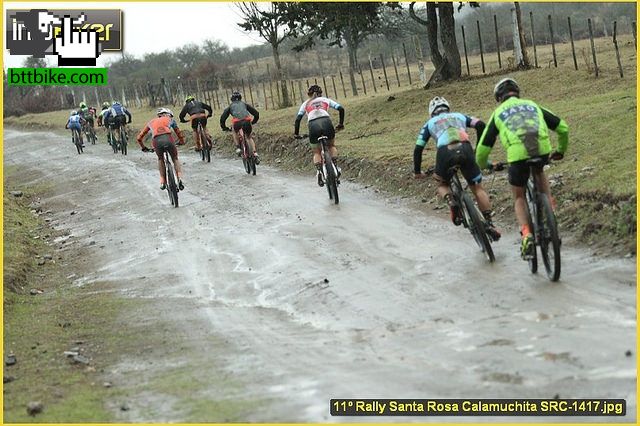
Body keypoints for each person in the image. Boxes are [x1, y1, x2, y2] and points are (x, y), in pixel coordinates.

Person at [476, 77, 569, 259]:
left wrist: (486, 165)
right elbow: (563, 128)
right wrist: (560, 151)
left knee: (519, 196)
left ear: (499, 98)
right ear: (517, 93)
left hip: (517, 157)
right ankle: (551, 213)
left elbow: (481, 150)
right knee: (540, 171)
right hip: (541, 150)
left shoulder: (498, 113)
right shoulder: (533, 105)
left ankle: (526, 234)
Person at [414, 96, 500, 241]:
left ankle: (451, 201)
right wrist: (478, 148)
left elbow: (418, 148)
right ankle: (489, 222)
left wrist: (417, 172)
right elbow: (481, 125)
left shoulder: (429, 123)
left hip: (444, 152)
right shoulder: (460, 116)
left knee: (442, 184)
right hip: (466, 148)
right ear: (448, 108)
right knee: (477, 188)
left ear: (432, 112)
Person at [293, 85, 345, 186]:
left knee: (316, 151)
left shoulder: (305, 104)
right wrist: (340, 124)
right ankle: (335, 166)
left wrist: (296, 134)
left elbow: (298, 119)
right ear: (321, 93)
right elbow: (341, 109)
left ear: (309, 94)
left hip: (313, 126)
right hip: (326, 123)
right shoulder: (325, 100)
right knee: (331, 146)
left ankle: (320, 172)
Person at [136, 107, 186, 191]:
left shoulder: (151, 122)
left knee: (160, 159)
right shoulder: (170, 120)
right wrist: (181, 141)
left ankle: (163, 181)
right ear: (168, 115)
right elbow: (178, 133)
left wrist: (143, 147)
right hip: (168, 139)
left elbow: (139, 138)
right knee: (175, 158)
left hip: (156, 141)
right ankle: (179, 178)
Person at [220, 91, 260, 163]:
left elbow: (223, 118)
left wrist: (224, 127)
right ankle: (255, 153)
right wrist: (254, 121)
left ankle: (238, 147)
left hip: (237, 123)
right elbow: (256, 113)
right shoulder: (244, 104)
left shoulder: (230, 106)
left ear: (231, 99)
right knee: (249, 137)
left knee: (234, 131)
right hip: (247, 121)